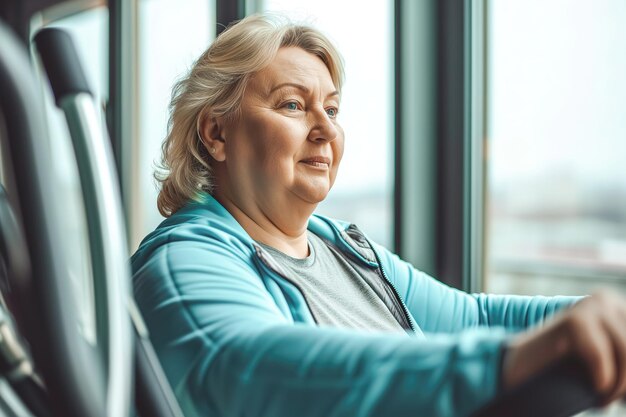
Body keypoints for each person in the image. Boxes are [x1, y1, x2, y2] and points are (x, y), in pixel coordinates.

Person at [131, 13, 626, 417]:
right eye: (292, 105)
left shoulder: (338, 246)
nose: (326, 129)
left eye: (332, 109)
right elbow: (250, 367)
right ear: (217, 134)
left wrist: (595, 317)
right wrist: (500, 366)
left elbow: (471, 316)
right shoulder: (185, 257)